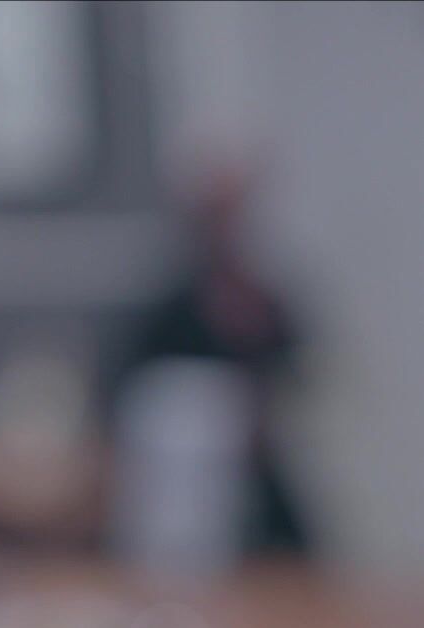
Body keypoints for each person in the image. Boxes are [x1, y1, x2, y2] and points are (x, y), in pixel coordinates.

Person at [104, 163, 315, 560]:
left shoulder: (262, 301)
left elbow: (300, 371)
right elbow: (127, 390)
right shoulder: (164, 305)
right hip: (178, 484)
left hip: (254, 482)